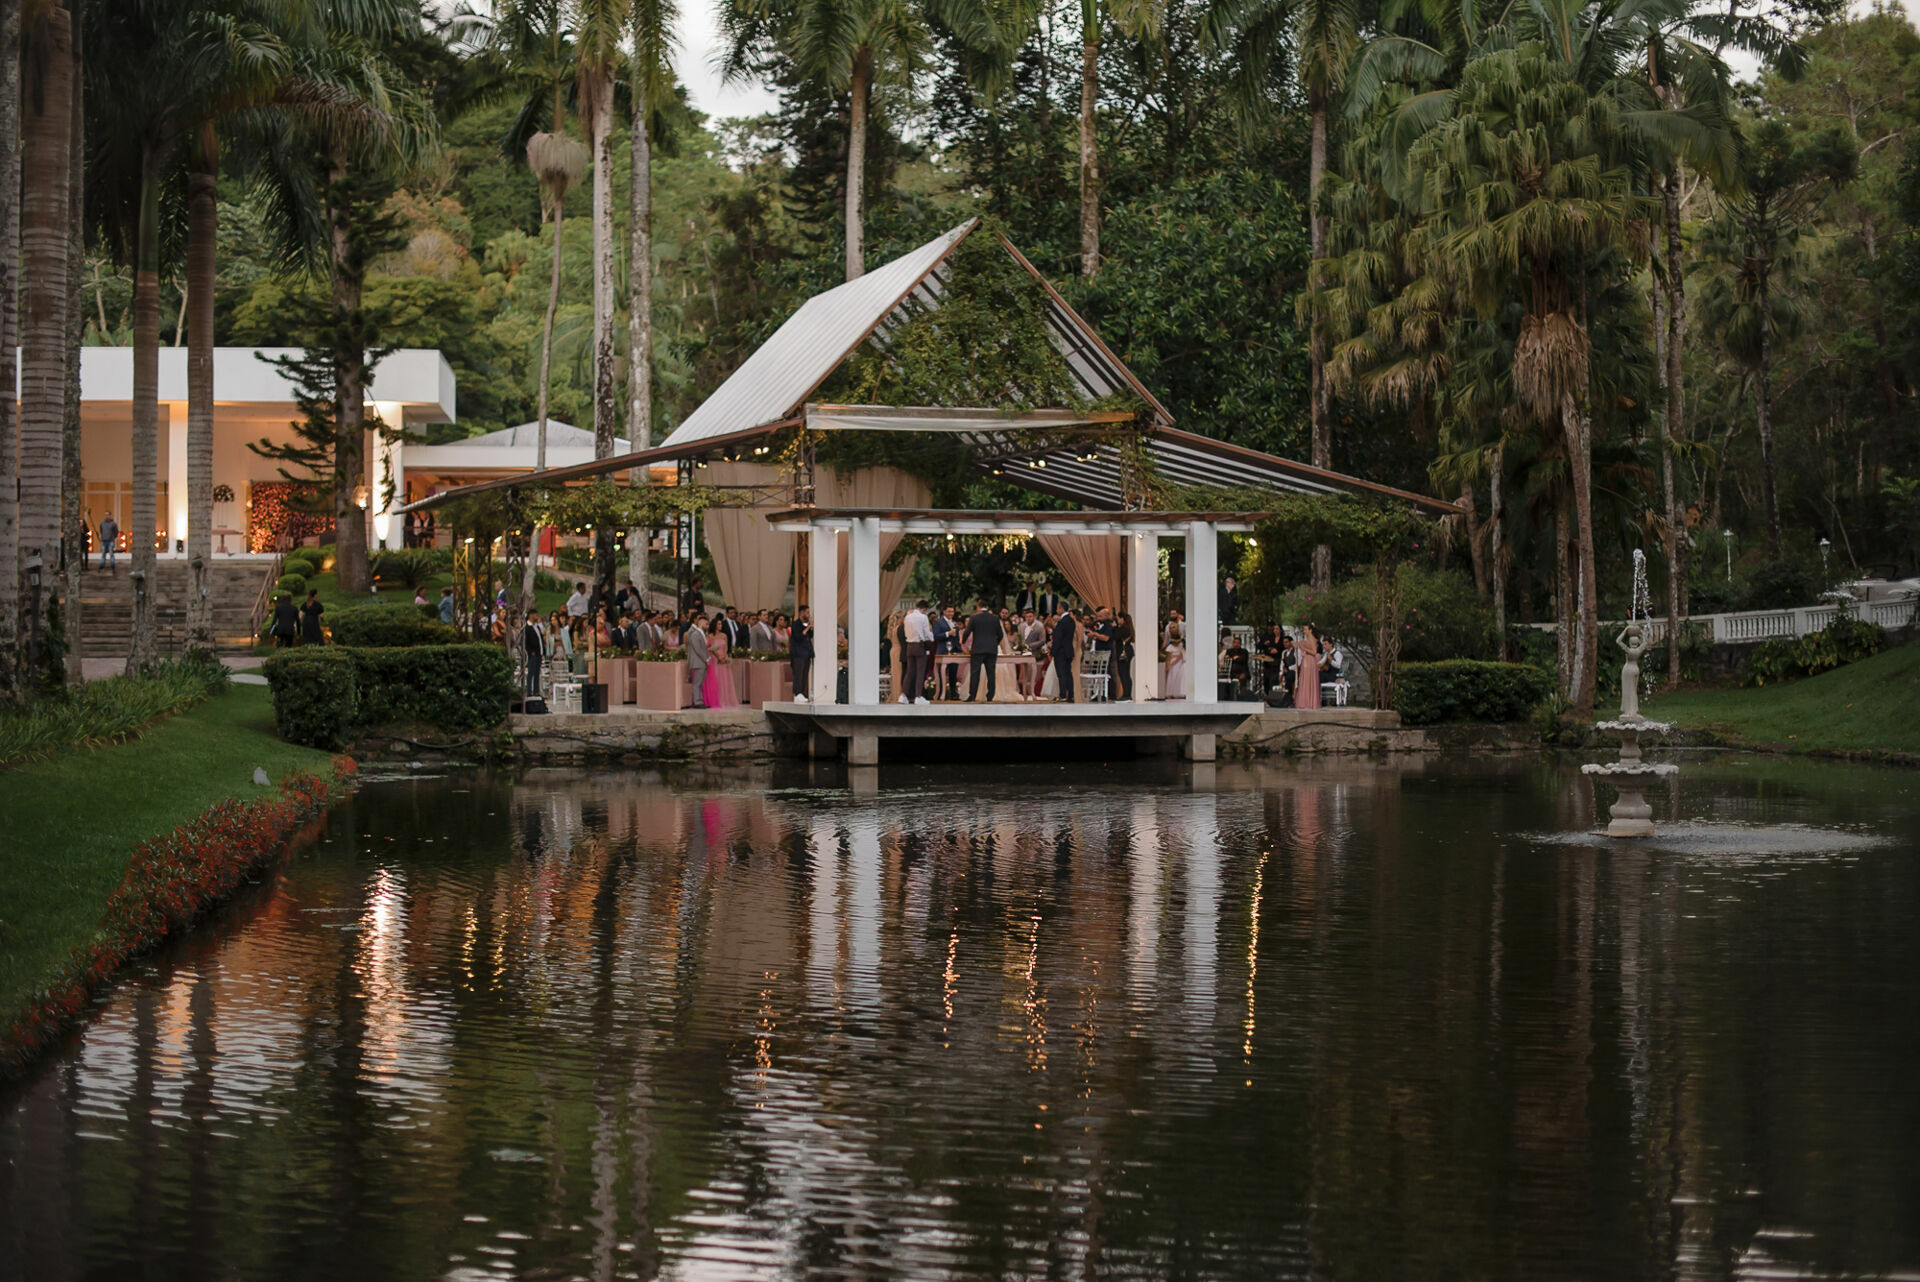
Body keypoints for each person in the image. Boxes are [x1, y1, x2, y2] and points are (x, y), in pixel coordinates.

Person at [963, 600, 1003, 701]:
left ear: (978, 607)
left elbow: (967, 632)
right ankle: (990, 696)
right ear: (987, 607)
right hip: (991, 649)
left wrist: (963, 641)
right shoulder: (995, 618)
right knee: (991, 673)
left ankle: (972, 696)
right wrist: (995, 643)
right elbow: (1001, 634)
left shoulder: (974, 618)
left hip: (978, 649)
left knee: (975, 673)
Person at [900, 599, 933, 705]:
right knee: (920, 672)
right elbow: (926, 632)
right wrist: (931, 638)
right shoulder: (923, 617)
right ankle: (918, 696)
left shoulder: (907, 617)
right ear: (924, 608)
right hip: (919, 645)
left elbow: (906, 632)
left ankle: (903, 695)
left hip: (909, 645)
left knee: (909, 672)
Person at [702, 620, 738, 708]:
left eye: (721, 624)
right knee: (717, 679)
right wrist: (718, 656)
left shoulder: (724, 635)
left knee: (725, 679)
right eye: (718, 624)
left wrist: (724, 656)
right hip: (715, 659)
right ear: (714, 625)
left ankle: (726, 699)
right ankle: (717, 699)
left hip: (723, 659)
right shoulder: (710, 636)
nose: (720, 625)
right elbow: (711, 648)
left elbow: (726, 647)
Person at [1050, 607, 1078, 702]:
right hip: (1069, 650)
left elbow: (1058, 638)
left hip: (1060, 652)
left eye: (1058, 608)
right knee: (1068, 673)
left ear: (1062, 609)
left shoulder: (1062, 622)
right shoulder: (1071, 621)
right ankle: (1071, 694)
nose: (1057, 610)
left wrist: (1053, 651)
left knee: (1061, 674)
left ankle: (1063, 695)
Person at [685, 613, 712, 708]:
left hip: (702, 662)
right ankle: (697, 702)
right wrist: (707, 658)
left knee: (700, 683)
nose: (708, 626)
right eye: (707, 624)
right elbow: (698, 649)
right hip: (698, 662)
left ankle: (700, 701)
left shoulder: (701, 634)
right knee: (697, 683)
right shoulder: (696, 634)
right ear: (701, 624)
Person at [789, 607, 814, 702]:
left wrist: (810, 627)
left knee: (804, 673)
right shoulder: (796, 624)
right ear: (802, 613)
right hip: (798, 653)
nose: (808, 614)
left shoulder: (805, 624)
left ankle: (802, 693)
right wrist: (808, 627)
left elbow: (810, 635)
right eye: (807, 612)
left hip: (807, 652)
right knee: (798, 674)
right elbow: (799, 636)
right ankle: (797, 693)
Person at [1295, 623, 1322, 710]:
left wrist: (1303, 648)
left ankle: (1309, 702)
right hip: (1306, 660)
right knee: (1305, 679)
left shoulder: (1312, 639)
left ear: (1310, 630)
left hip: (1310, 660)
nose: (1304, 631)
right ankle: (1306, 701)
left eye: (1306, 629)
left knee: (1308, 679)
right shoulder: (1308, 639)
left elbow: (1314, 652)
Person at [520, 611, 544, 698]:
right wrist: (530, 652)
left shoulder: (536, 626)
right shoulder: (527, 628)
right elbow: (525, 642)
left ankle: (536, 690)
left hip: (539, 653)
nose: (537, 616)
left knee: (537, 673)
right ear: (531, 615)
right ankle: (529, 691)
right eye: (535, 614)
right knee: (531, 673)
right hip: (533, 653)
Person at [1163, 623, 1188, 699]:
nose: (1172, 629)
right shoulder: (1169, 643)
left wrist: (1173, 661)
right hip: (1172, 661)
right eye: (1170, 628)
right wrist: (1168, 665)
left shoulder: (1182, 641)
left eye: (1173, 627)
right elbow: (1168, 655)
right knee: (1172, 676)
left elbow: (1181, 653)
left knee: (1179, 677)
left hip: (1179, 662)